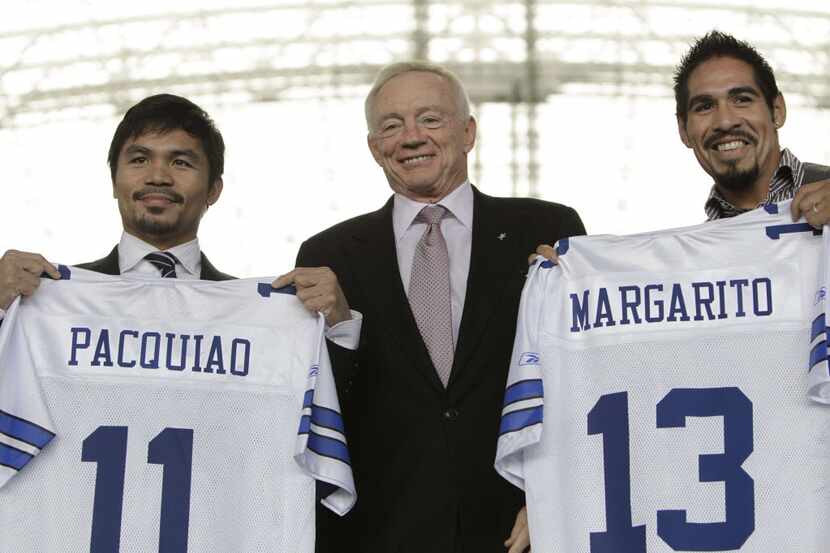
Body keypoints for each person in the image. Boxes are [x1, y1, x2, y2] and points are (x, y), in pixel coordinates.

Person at [278, 62, 585, 553]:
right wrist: (340, 330)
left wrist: (555, 495)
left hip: (520, 531)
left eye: (430, 119)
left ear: (468, 133)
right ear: (375, 147)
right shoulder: (329, 256)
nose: (411, 137)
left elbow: (580, 383)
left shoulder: (545, 229)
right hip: (382, 533)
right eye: (392, 125)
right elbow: (318, 415)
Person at [0, 94, 354, 337]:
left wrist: (337, 328)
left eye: (181, 162)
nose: (158, 176)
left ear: (214, 190)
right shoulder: (45, 303)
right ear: (113, 181)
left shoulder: (266, 317)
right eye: (139, 160)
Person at [674, 30, 830, 224]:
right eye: (705, 106)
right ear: (683, 131)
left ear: (777, 111)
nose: (725, 122)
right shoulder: (692, 252)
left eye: (742, 100)